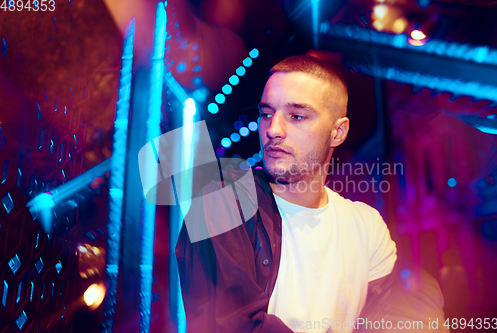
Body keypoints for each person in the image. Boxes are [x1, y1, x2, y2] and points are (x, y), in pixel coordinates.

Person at [176, 55, 447, 332]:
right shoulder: (219, 206)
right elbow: (233, 327)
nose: (273, 130)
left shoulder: (365, 225)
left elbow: (404, 311)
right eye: (267, 114)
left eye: (297, 116)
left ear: (337, 132)